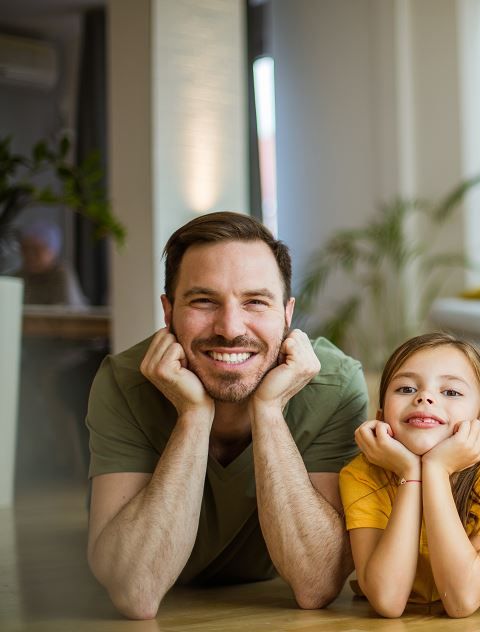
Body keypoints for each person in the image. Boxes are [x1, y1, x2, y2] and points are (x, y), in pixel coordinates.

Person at [85, 212, 368, 619]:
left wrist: (269, 411)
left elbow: (317, 583)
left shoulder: (335, 384)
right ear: (168, 312)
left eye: (255, 301)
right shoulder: (123, 382)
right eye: (204, 301)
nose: (230, 327)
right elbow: (135, 591)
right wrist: (194, 416)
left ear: (287, 315)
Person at [340, 333, 480, 618]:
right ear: (380, 418)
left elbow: (462, 601)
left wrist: (437, 470)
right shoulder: (361, 475)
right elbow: (388, 601)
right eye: (405, 388)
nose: (424, 397)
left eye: (451, 392)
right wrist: (410, 473)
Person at [17, 218, 88, 306]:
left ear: (52, 251)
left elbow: (66, 312)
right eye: (25, 248)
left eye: (36, 249)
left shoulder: (60, 274)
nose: (29, 254)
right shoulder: (19, 277)